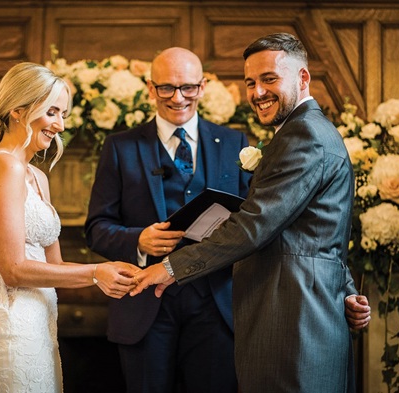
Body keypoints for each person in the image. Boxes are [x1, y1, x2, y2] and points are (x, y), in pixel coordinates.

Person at [130, 34, 371, 393]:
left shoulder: (305, 136)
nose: (258, 92)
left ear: (303, 78)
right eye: (250, 82)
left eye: (269, 79)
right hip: (297, 310)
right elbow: (319, 231)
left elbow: (254, 225)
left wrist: (169, 268)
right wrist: (346, 289)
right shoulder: (300, 133)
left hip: (294, 318)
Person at [0, 62, 140, 393]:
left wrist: (112, 275)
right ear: (18, 110)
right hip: (8, 329)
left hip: (39, 325)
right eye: (52, 111)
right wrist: (96, 271)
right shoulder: (2, 167)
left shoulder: (37, 176)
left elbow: (53, 267)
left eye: (63, 114)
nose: (59, 124)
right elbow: (13, 270)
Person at [84, 47, 251, 392]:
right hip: (143, 306)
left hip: (215, 306)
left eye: (188, 87)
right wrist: (137, 240)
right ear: (150, 89)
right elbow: (96, 228)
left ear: (202, 87)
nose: (178, 98)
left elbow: (251, 222)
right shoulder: (120, 147)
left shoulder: (235, 143)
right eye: (167, 88)